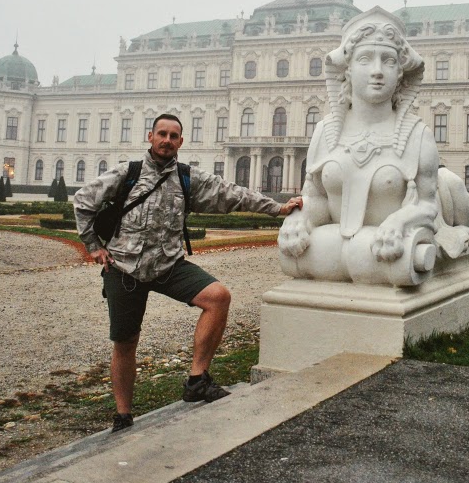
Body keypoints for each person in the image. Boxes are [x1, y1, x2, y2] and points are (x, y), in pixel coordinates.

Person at [74, 114, 301, 432]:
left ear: (181, 142)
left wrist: (277, 208)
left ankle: (197, 380)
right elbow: (83, 200)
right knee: (126, 343)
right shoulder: (128, 173)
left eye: (174, 136)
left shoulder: (186, 177)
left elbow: (230, 193)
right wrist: (93, 246)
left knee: (218, 297)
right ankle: (123, 415)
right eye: (162, 134)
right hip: (124, 268)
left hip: (168, 265)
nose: (167, 140)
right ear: (150, 136)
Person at [278, 6, 469, 286]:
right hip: (366, 244)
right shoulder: (325, 132)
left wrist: (398, 223)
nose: (377, 71)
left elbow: (427, 205)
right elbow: (317, 196)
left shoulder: (417, 135)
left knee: (449, 182)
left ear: (401, 75)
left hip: (388, 235)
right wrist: (300, 217)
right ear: (346, 71)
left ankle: (465, 230)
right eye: (365, 59)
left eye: (389, 61)